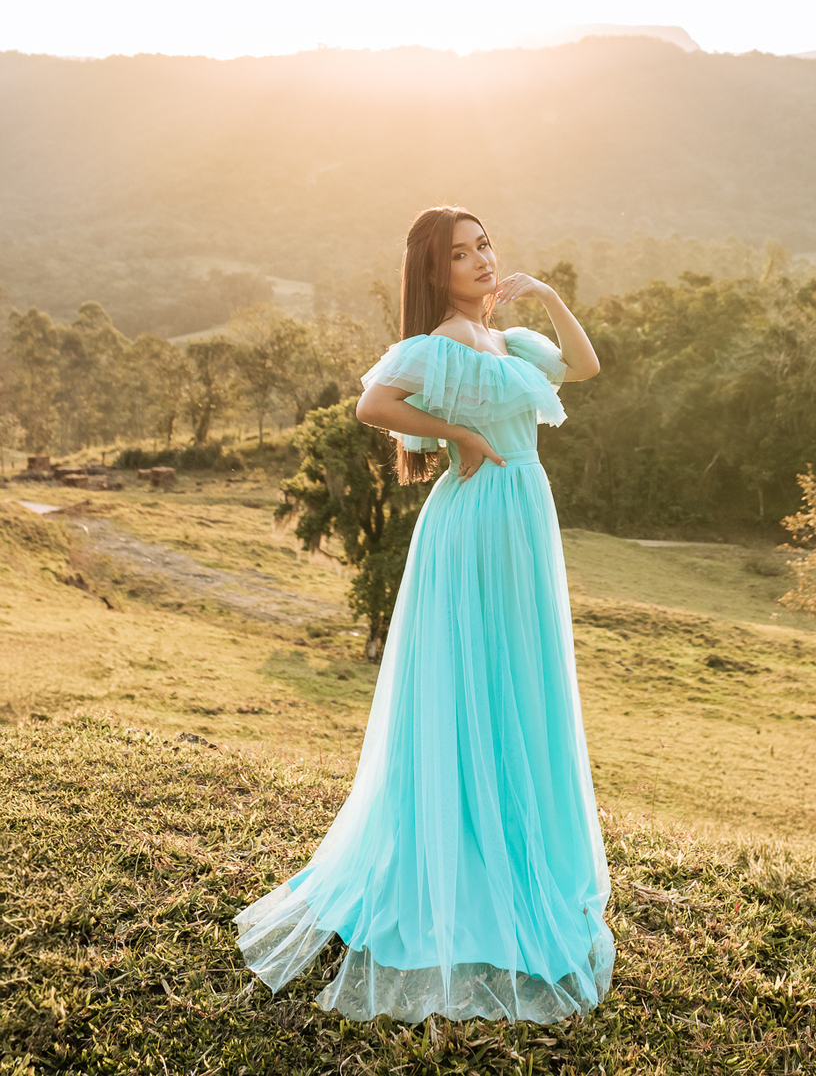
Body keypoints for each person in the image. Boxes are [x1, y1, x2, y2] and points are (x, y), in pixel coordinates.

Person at [234, 205, 613, 1024]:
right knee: (466, 680)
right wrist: (458, 440)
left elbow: (584, 367)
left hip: (523, 517)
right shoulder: (435, 345)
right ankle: (450, 860)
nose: (480, 262)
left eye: (486, 247)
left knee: (519, 676)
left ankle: (510, 848)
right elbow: (374, 405)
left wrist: (543, 292)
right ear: (434, 274)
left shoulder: (508, 342)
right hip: (474, 521)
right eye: (461, 255)